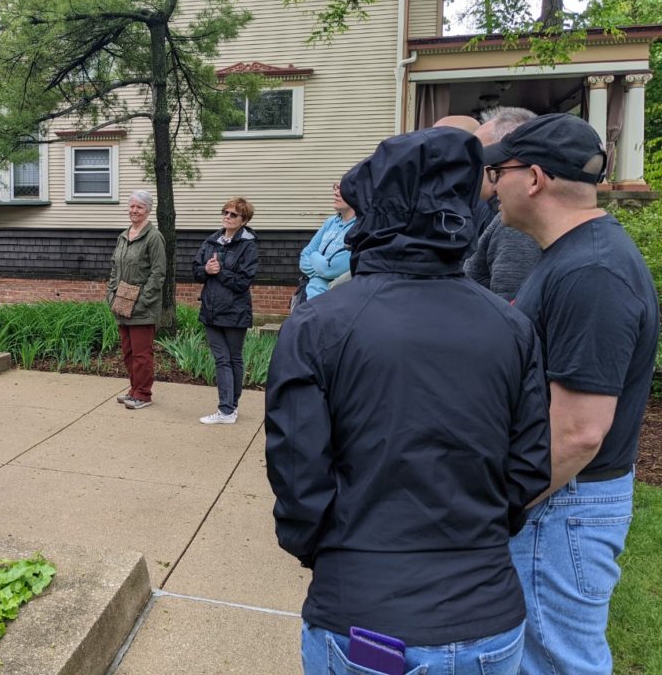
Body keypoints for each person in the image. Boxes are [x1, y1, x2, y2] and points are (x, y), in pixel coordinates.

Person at [265, 126, 551, 675]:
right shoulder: (512, 327)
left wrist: (323, 552)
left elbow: (299, 476)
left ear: (372, 211)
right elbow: (528, 472)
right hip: (483, 616)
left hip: (365, 609)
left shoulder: (318, 325)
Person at [485, 113, 660, 674]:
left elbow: (579, 432)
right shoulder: (572, 255)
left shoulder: (592, 272)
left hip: (564, 508)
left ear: (533, 177)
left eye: (498, 170)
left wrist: (501, 507)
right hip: (559, 502)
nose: (491, 185)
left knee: (556, 663)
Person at [192, 197, 259, 425]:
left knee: (232, 359)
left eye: (233, 215)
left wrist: (218, 272)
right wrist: (205, 269)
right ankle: (228, 408)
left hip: (234, 312)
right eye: (225, 212)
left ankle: (228, 409)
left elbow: (243, 282)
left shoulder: (248, 245)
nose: (227, 217)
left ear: (244, 220)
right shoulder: (212, 241)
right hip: (210, 310)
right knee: (222, 359)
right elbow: (196, 271)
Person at [465, 107, 542, 299]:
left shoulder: (517, 223)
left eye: (477, 159)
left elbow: (511, 315)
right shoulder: (503, 213)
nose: (470, 169)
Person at [108, 190, 166, 410]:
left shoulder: (154, 237)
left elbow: (158, 273)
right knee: (128, 351)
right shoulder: (124, 236)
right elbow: (115, 267)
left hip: (142, 306)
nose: (134, 210)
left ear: (148, 210)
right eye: (132, 206)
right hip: (122, 302)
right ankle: (134, 389)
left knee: (142, 354)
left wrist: (142, 301)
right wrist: (111, 293)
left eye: (139, 207)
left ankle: (143, 394)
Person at [298, 183, 355, 301]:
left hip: (338, 302)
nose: (336, 192)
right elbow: (304, 256)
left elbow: (331, 269)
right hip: (310, 301)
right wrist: (322, 274)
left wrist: (314, 256)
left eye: (342, 189)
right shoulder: (330, 222)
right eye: (336, 187)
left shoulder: (361, 227)